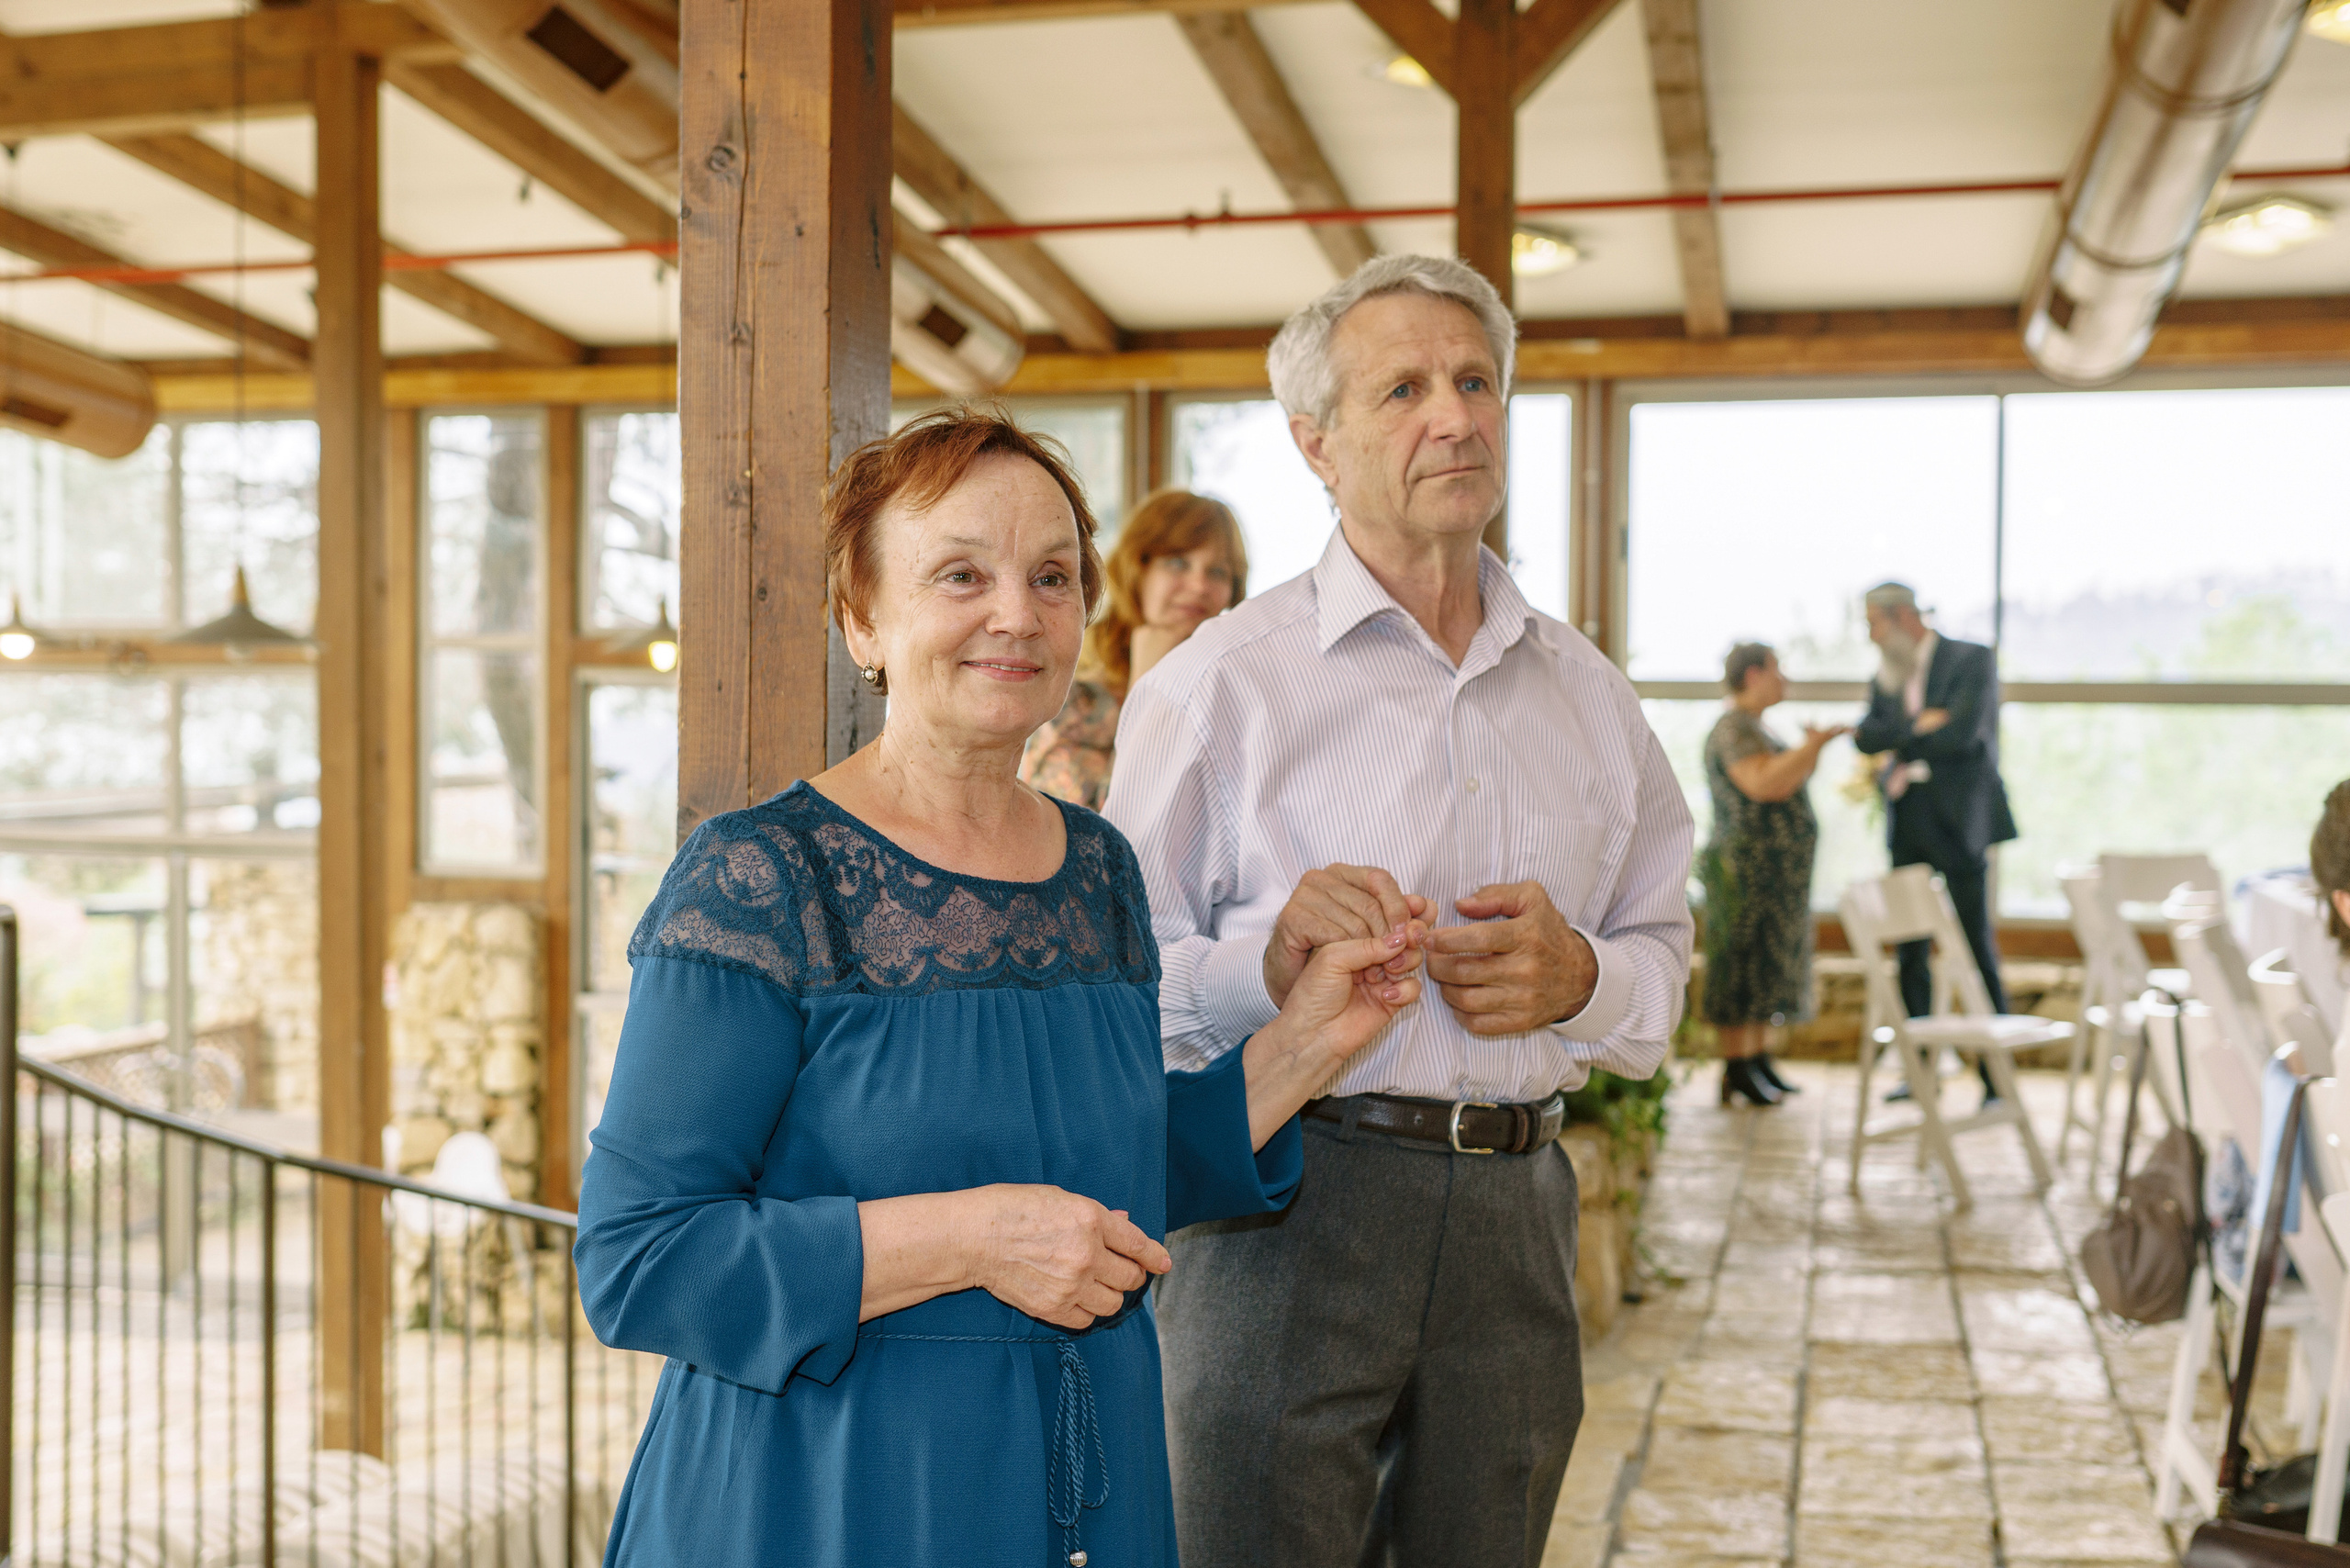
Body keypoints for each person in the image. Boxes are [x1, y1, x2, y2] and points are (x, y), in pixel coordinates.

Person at [574, 407, 1430, 1568]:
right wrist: (969, 1238)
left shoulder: (1101, 871)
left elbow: (1108, 1177)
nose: (1015, 614)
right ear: (860, 616)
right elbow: (639, 1261)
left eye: (1051, 576)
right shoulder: (761, 877)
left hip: (1078, 1484)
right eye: (960, 574)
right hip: (825, 1498)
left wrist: (1310, 1045)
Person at [1105, 254, 1695, 1568]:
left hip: (1517, 1220)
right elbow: (1109, 993)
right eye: (1407, 389)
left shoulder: (1593, 697)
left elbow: (1662, 967)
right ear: (1313, 443)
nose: (1458, 416)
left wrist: (1582, 979)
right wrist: (1269, 965)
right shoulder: (1216, 687)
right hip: (1284, 1210)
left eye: (1478, 382)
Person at [1854, 581, 2016, 1102]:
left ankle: (1996, 1076)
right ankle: (1919, 1071)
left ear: (1902, 616)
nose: (1870, 634)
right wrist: (1917, 725)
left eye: (1873, 622)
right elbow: (1866, 736)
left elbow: (1963, 734)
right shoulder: (1888, 674)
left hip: (1960, 819)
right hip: (1910, 817)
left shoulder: (1971, 659)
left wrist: (1902, 732)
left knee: (1974, 944)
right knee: (1910, 950)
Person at [1022, 488, 1248, 809]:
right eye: (1178, 563)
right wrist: (1146, 685)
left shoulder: (1237, 693)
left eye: (1217, 572)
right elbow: (1082, 835)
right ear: (1137, 568)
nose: (1199, 586)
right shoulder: (1074, 694)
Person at [1700, 642, 1848, 1107]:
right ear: (1753, 675)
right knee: (1741, 966)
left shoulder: (1759, 728)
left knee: (1766, 968)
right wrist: (1812, 746)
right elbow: (1762, 783)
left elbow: (1786, 779)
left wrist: (1810, 751)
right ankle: (1737, 1066)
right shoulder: (1733, 729)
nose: (1783, 679)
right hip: (1744, 872)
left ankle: (1759, 1057)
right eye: (1776, 670)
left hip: (1773, 876)